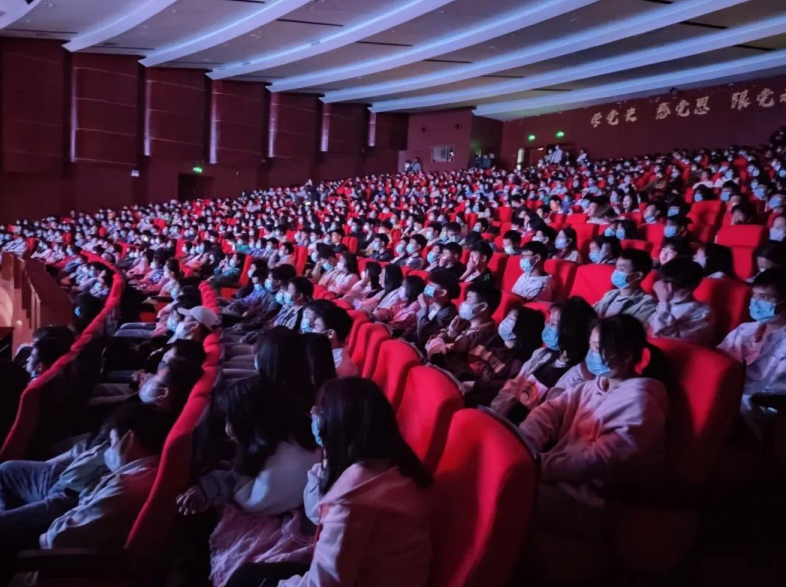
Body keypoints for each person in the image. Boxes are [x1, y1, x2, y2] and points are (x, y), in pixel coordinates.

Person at [226, 378, 432, 587]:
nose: (312, 415)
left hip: (365, 578)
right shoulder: (392, 462)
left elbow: (322, 583)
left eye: (320, 412)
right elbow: (318, 514)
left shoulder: (351, 500)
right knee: (248, 574)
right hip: (377, 572)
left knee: (243, 581)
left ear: (337, 428)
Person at [521, 315, 669, 543]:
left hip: (589, 502)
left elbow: (596, 461)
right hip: (557, 480)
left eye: (598, 349)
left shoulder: (640, 404)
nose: (591, 354)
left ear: (627, 355)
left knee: (508, 493)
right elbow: (550, 410)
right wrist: (524, 441)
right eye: (590, 346)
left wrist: (537, 466)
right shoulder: (593, 386)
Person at [176, 376, 320, 587]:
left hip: (286, 521)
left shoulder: (287, 463)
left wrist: (212, 488)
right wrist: (209, 487)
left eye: (230, 421)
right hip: (282, 509)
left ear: (251, 423)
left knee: (202, 526)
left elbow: (252, 502)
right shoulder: (292, 435)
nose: (227, 429)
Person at [490, 297, 597, 423]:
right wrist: (494, 415)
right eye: (548, 321)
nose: (547, 326)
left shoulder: (582, 377)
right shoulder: (541, 355)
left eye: (553, 324)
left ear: (571, 332)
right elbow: (513, 386)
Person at [718, 268, 786, 438]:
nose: (756, 302)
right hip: (730, 396)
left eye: (765, 297)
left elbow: (775, 393)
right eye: (755, 296)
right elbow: (719, 361)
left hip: (762, 409)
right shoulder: (745, 329)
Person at [426, 283, 500, 361]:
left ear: (482, 307)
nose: (463, 303)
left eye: (468, 299)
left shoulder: (483, 336)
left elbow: (438, 357)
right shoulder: (463, 323)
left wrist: (443, 337)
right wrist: (448, 336)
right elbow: (430, 340)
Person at [648, 258, 715, 344]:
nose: (661, 286)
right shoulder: (667, 304)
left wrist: (664, 302)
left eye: (667, 281)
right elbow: (648, 330)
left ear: (688, 288)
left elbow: (665, 338)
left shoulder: (702, 312)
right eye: (661, 279)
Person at [593, 248, 657, 324]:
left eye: (621, 269)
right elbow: (590, 313)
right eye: (616, 268)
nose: (616, 272)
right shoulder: (611, 294)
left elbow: (630, 328)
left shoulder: (646, 304)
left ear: (637, 276)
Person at [410, 269, 459, 350]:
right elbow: (416, 326)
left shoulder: (448, 313)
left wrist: (424, 307)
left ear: (443, 292)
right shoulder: (432, 305)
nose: (427, 288)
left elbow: (424, 335)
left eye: (431, 286)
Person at [309, 301, 358, 378]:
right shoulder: (323, 353)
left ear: (330, 334)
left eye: (316, 327)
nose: (312, 331)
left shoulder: (339, 366)